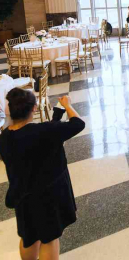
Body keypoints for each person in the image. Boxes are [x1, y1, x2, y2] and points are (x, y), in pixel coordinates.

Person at [0, 90, 85, 260]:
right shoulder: (44, 131)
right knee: (49, 239)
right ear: (34, 108)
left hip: (23, 197)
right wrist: (67, 105)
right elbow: (78, 124)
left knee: (29, 237)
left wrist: (57, 115)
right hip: (48, 197)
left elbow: (43, 136)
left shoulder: (5, 137)